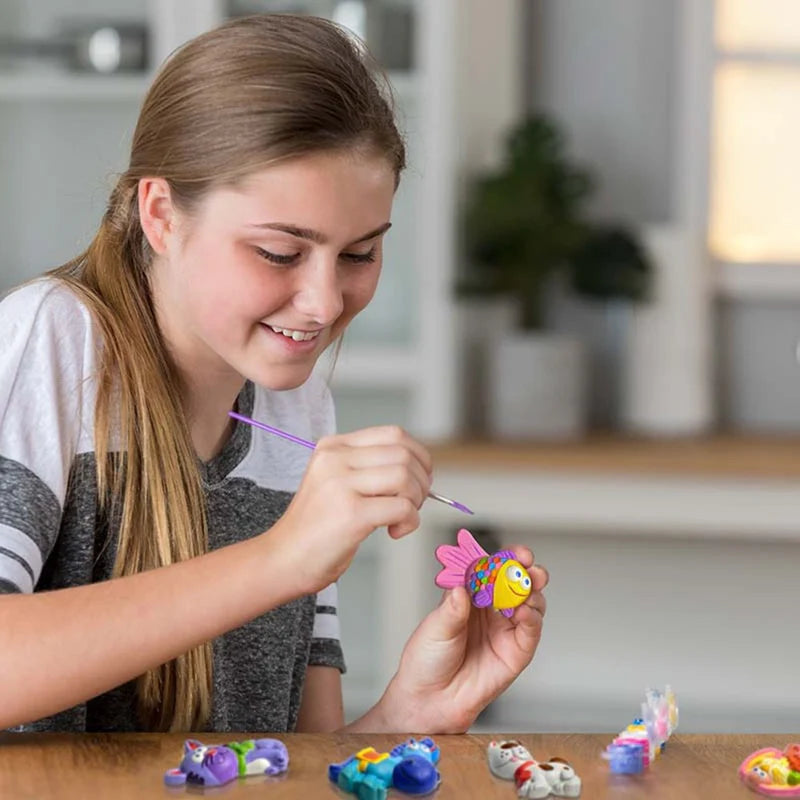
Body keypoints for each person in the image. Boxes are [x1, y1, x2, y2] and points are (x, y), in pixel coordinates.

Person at [0, 13, 547, 734]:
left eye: (359, 254)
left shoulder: (297, 407)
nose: (325, 304)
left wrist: (408, 717)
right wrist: (281, 557)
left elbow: (302, 766)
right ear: (161, 215)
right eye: (280, 254)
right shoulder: (51, 342)